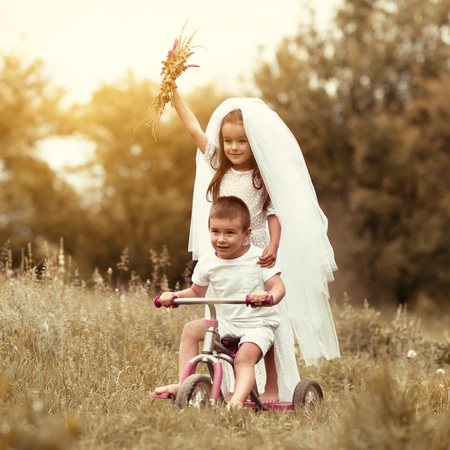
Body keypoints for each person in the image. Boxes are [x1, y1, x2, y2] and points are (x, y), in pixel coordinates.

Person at [155, 79, 340, 403]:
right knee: (221, 316)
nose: (235, 147)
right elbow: (194, 129)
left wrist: (273, 246)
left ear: (254, 142)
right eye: (229, 141)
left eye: (242, 141)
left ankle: (270, 387)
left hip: (254, 255)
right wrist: (174, 94)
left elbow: (273, 213)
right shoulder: (217, 164)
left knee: (263, 318)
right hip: (226, 256)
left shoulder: (260, 176)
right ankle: (201, 384)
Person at [158, 196, 285, 409]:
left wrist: (267, 297)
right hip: (224, 321)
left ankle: (237, 399)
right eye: (215, 232)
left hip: (256, 323)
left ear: (246, 234)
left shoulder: (258, 258)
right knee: (191, 330)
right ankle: (184, 384)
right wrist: (174, 296)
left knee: (243, 358)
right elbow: (196, 291)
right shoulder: (208, 261)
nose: (221, 239)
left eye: (230, 233)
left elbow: (278, 287)